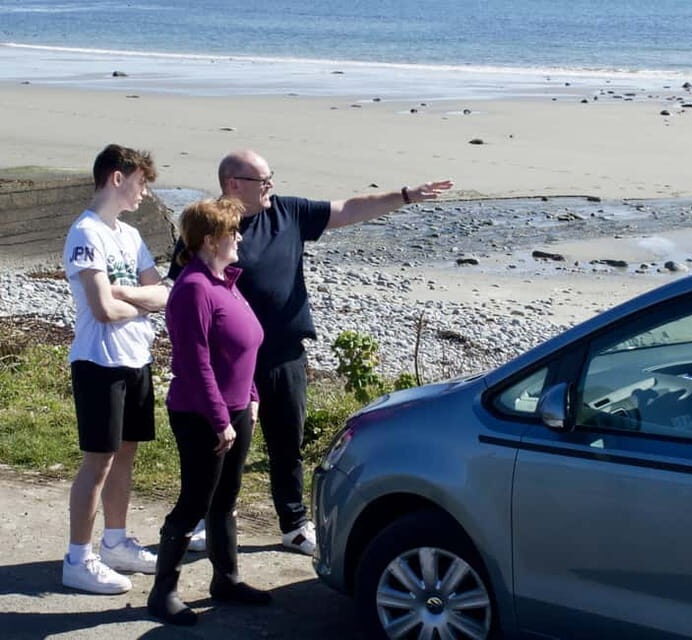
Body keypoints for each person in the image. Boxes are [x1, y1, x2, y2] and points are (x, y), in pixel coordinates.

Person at [169, 149, 452, 555]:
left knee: (288, 442)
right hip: (227, 362)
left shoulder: (289, 212)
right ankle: (204, 518)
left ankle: (294, 523)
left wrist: (405, 195)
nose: (271, 186)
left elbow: (349, 208)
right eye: (262, 180)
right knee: (219, 446)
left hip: (284, 353)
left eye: (270, 178)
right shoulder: (210, 228)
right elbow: (179, 289)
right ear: (233, 184)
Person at [148, 198, 271, 626]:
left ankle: (226, 579)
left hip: (236, 409)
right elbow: (193, 362)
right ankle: (162, 592)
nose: (238, 237)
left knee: (226, 498)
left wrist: (251, 397)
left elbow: (245, 347)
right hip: (201, 413)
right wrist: (220, 419)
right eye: (231, 232)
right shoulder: (193, 288)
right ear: (208, 240)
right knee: (194, 502)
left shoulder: (225, 280)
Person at [61, 144, 168, 594]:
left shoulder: (129, 234)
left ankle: (115, 541)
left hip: (136, 359)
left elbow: (163, 295)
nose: (145, 192)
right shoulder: (86, 233)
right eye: (142, 182)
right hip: (99, 362)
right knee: (98, 462)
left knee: (126, 453)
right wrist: (131, 298)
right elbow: (102, 309)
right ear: (117, 178)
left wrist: (125, 294)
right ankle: (77, 558)